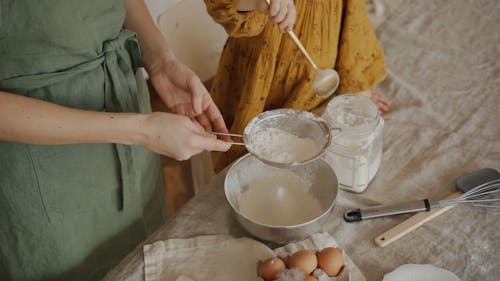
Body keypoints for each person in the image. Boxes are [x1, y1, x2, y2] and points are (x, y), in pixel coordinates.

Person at [0, 0, 231, 280]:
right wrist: (141, 130)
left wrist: (161, 60)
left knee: (145, 256)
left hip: (128, 110)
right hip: (39, 163)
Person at [204, 0, 391, 172]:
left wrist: (357, 80)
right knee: (247, 155)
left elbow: (351, 14)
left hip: (313, 86)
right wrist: (257, 2)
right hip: (258, 79)